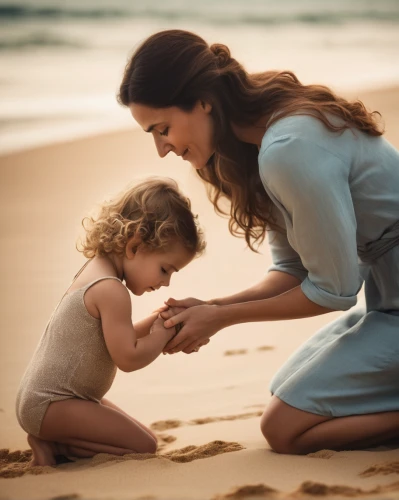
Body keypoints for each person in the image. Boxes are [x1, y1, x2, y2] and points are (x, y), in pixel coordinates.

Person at [117, 30, 399, 455]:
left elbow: (334, 292)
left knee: (284, 428)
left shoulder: (289, 148)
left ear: (202, 101)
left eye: (163, 129)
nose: (162, 149)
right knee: (285, 390)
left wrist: (222, 319)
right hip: (387, 297)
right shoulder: (256, 146)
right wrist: (213, 308)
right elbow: (291, 272)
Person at [15, 177, 206, 466]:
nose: (166, 282)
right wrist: (160, 336)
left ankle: (52, 438)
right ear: (134, 246)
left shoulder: (96, 272)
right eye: (165, 269)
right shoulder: (111, 290)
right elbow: (128, 358)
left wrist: (162, 322)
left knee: (147, 438)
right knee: (142, 446)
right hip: (53, 404)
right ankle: (52, 444)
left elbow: (116, 338)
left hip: (46, 400)